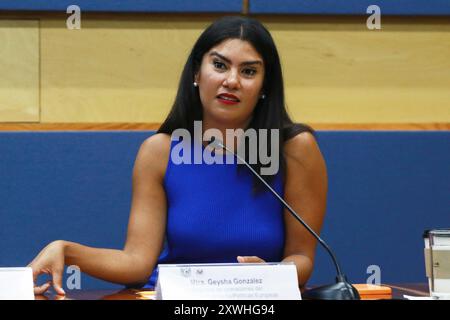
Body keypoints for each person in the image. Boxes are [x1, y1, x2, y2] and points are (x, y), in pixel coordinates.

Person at [28, 15, 327, 295]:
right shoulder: (159, 151)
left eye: (248, 71)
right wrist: (66, 251)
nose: (232, 81)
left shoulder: (294, 148)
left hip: (253, 301)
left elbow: (302, 257)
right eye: (220, 65)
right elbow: (136, 262)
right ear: (197, 72)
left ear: (264, 86)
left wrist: (272, 276)